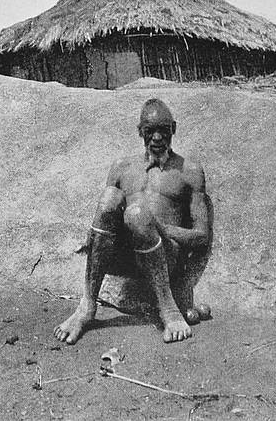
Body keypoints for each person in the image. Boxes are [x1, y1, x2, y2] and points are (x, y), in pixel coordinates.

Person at [54, 98, 212, 344]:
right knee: (110, 197)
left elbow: (201, 235)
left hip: (164, 258)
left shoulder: (189, 170)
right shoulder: (121, 167)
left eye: (163, 130)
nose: (157, 138)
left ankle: (168, 309)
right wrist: (92, 240)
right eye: (150, 131)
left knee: (137, 214)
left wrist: (159, 228)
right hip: (125, 258)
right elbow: (106, 217)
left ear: (174, 128)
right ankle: (86, 307)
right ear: (140, 131)